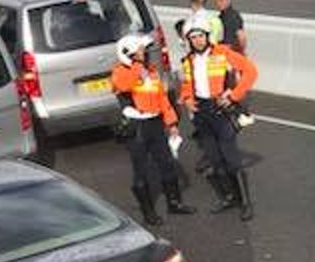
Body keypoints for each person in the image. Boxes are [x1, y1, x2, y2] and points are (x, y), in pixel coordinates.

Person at [178, 19, 258, 220]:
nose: (197, 41)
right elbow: (187, 85)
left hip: (221, 109)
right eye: (193, 37)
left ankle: (245, 203)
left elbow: (251, 72)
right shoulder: (188, 60)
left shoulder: (223, 53)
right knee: (214, 159)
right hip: (202, 113)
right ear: (188, 40)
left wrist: (233, 95)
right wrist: (187, 99)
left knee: (231, 157)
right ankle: (230, 197)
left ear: (207, 36)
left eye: (200, 36)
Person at [110, 32, 188, 226]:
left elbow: (162, 98)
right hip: (137, 126)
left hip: (154, 123)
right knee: (141, 169)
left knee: (167, 163)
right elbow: (123, 86)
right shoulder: (120, 71)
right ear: (128, 53)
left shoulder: (151, 71)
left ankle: (175, 203)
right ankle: (148, 213)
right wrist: (136, 66)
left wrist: (172, 123)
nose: (144, 53)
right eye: (140, 50)